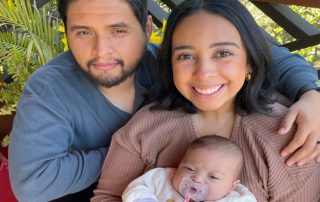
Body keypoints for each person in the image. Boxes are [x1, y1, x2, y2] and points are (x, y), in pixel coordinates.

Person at [8, 0, 320, 201]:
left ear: (146, 31)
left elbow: (275, 57)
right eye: (83, 32)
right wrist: (127, 149)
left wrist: (311, 94)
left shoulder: (158, 62)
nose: (102, 50)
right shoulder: (51, 91)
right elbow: (33, 185)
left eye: (118, 30)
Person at [122, 135, 256, 202]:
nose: (197, 179)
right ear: (179, 165)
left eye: (213, 177)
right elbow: (137, 188)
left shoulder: (236, 198)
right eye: (190, 169)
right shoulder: (162, 179)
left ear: (231, 187)